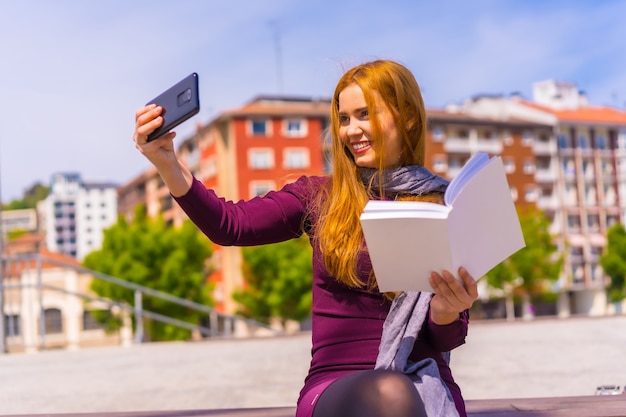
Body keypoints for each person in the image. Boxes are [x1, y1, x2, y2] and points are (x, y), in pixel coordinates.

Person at [133, 59, 478, 417]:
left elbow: (447, 339)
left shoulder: (441, 206)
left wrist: (446, 310)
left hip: (421, 380)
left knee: (400, 393)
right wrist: (167, 163)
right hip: (335, 386)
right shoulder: (319, 196)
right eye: (344, 118)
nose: (352, 130)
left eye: (365, 114)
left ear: (406, 117)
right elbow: (229, 224)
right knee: (391, 393)